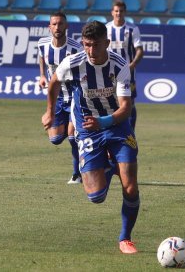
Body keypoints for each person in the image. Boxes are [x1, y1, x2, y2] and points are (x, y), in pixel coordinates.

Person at [42, 21, 141, 254]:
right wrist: (49, 111)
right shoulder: (74, 63)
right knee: (96, 197)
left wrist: (105, 121)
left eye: (95, 45)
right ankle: (108, 167)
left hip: (117, 126)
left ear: (106, 43)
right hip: (87, 128)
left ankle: (125, 238)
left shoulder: (119, 65)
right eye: (86, 45)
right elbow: (54, 82)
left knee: (131, 185)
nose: (89, 50)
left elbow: (126, 107)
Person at [38, 12, 84, 184]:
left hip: (74, 97)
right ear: (49, 27)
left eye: (60, 24)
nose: (57, 27)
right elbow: (42, 58)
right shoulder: (43, 44)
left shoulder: (75, 48)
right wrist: (42, 75)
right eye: (54, 24)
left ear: (67, 26)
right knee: (55, 139)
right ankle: (84, 135)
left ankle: (76, 174)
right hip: (57, 99)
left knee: (72, 137)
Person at [106, 0, 144, 130]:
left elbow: (139, 50)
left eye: (121, 11)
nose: (118, 13)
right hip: (110, 72)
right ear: (112, 12)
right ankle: (112, 131)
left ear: (125, 12)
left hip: (128, 73)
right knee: (110, 102)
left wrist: (132, 65)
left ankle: (130, 133)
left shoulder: (132, 29)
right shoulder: (106, 28)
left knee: (129, 103)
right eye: (116, 11)